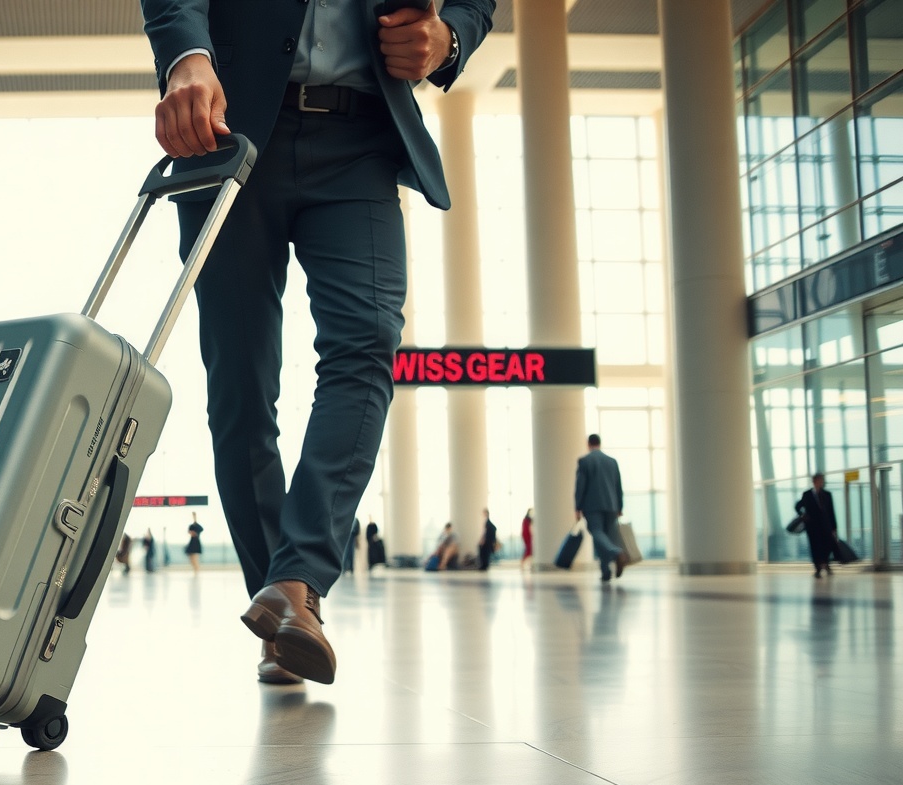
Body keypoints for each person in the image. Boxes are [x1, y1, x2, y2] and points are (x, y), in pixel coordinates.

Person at [142, 0, 495, 685]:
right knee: (240, 390)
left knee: (366, 345)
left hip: (363, 139)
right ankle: (280, 608)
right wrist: (187, 55)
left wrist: (447, 41)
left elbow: (475, 6)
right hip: (229, 131)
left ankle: (297, 582)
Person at [575, 433, 627, 583]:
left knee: (597, 533)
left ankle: (616, 553)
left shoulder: (585, 461)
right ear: (599, 443)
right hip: (611, 505)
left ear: (588, 444)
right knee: (606, 537)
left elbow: (580, 486)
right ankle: (605, 572)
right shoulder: (612, 461)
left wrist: (577, 507)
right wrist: (620, 505)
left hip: (592, 506)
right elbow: (618, 486)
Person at [796, 473, 838, 578]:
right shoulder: (807, 494)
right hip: (812, 527)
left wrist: (834, 527)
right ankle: (818, 568)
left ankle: (825, 563)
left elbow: (831, 511)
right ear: (814, 481)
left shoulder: (827, 494)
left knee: (827, 546)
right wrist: (803, 515)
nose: (821, 482)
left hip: (825, 526)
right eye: (819, 480)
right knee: (815, 547)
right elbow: (798, 506)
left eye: (822, 480)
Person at [520, 508, 534, 572]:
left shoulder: (529, 520)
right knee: (528, 550)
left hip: (529, 536)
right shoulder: (526, 520)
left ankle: (530, 563)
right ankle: (522, 563)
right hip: (527, 536)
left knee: (530, 550)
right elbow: (525, 530)